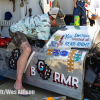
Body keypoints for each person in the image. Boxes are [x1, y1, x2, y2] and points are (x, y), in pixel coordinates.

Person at [9, 7, 66, 95]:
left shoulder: (49, 20)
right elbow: (49, 45)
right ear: (50, 18)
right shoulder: (44, 23)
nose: (58, 24)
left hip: (27, 32)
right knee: (27, 49)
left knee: (35, 48)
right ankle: (17, 84)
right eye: (57, 22)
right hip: (16, 29)